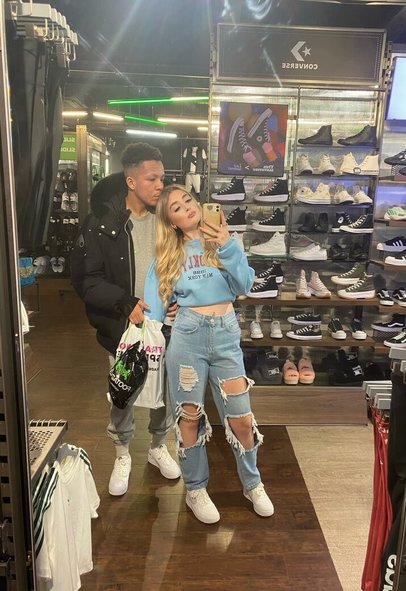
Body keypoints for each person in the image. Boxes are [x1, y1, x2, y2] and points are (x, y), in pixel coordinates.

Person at [143, 184, 274, 524]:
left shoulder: (225, 242)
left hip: (226, 334)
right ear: (171, 222)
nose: (187, 207)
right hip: (188, 336)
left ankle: (253, 483)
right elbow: (154, 309)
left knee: (242, 418)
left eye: (188, 200)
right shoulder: (168, 256)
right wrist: (158, 313)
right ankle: (195, 489)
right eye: (176, 207)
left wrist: (227, 244)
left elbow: (245, 285)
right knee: (189, 417)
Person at [70, 143, 181, 497]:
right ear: (131, 181)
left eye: (162, 178)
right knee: (123, 392)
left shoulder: (169, 219)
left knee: (165, 390)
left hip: (165, 325)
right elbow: (86, 280)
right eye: (152, 179)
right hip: (124, 326)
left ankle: (158, 447)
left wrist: (178, 298)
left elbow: (182, 266)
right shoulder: (101, 222)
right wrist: (124, 302)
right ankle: (122, 454)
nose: (160, 185)